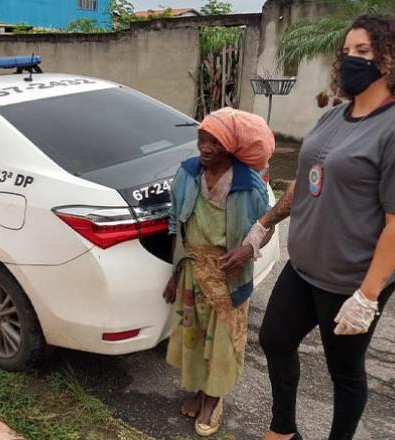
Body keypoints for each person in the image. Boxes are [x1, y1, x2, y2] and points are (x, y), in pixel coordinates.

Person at [227, 14, 395, 440]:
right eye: (346, 51)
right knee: (276, 339)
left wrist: (367, 296)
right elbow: (306, 182)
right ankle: (283, 430)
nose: (350, 58)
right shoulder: (335, 117)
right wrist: (263, 225)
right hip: (304, 264)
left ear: (392, 59)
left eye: (363, 51)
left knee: (344, 371)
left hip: (351, 278)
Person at [164, 107, 275, 437]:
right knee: (197, 339)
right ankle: (200, 391)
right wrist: (173, 273)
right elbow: (176, 223)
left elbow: (265, 226)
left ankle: (214, 400)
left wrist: (248, 250)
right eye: (201, 139)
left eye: (214, 141)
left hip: (229, 276)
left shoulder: (247, 183)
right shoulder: (187, 173)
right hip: (192, 270)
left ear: (230, 145)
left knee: (223, 342)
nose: (205, 147)